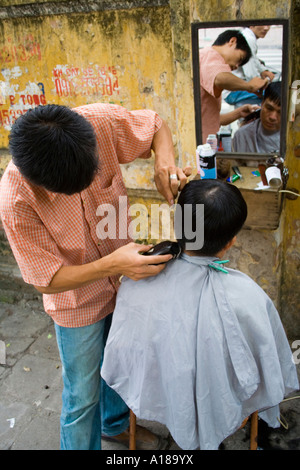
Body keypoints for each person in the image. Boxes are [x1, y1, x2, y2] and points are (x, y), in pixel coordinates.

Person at [0, 102, 191, 450]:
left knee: (120, 365)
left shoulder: (98, 123)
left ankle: (115, 425)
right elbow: (45, 279)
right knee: (82, 396)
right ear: (41, 182)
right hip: (76, 304)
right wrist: (112, 265)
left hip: (125, 284)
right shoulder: (15, 199)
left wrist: (165, 164)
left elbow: (155, 125)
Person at [101, 179, 299, 450]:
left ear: (178, 226)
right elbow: (269, 363)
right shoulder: (249, 297)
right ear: (231, 242)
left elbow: (125, 351)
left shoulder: (135, 281)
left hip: (155, 392)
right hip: (222, 402)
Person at [199, 29, 269, 143]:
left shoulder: (211, 62)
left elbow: (213, 120)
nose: (236, 67)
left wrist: (239, 113)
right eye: (240, 59)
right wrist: (249, 86)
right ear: (232, 41)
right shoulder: (210, 55)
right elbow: (220, 78)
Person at [223, 26, 275, 108]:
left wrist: (263, 70)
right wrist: (263, 83)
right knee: (275, 96)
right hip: (233, 92)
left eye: (269, 25)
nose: (266, 28)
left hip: (235, 89)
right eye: (263, 24)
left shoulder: (247, 35)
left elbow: (254, 59)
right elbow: (251, 74)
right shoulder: (249, 39)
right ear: (251, 25)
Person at [232, 81, 281, 153]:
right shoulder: (242, 136)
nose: (272, 117)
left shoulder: (294, 140)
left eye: (280, 112)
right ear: (262, 103)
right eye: (269, 108)